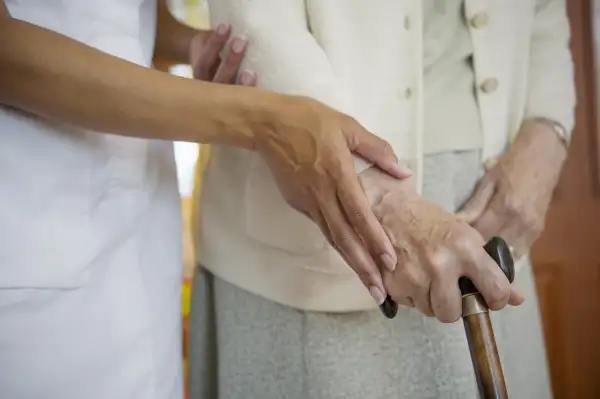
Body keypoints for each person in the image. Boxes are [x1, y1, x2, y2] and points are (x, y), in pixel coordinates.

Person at [0, 1, 409, 398]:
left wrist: (194, 44)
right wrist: (262, 120)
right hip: (29, 211)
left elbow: (125, 15)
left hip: (141, 221)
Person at [189, 0, 574, 398]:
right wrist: (369, 192)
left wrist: (549, 131)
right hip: (309, 241)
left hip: (493, 216)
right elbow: (258, 16)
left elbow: (545, 12)